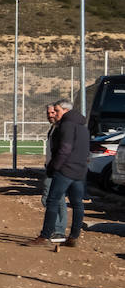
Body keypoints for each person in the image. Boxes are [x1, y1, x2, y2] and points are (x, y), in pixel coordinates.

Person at [26, 97, 88, 247]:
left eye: (58, 110)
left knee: (52, 201)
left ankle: (44, 235)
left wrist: (54, 167)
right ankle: (73, 237)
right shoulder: (83, 127)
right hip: (80, 171)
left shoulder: (66, 125)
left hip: (65, 170)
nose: (56, 113)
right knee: (77, 203)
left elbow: (64, 149)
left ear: (66, 110)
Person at [40, 102, 66, 242]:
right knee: (51, 198)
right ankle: (54, 229)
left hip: (58, 169)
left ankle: (58, 230)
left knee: (55, 199)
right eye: (48, 113)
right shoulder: (53, 128)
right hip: (50, 168)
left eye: (53, 112)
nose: (50, 115)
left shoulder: (62, 128)